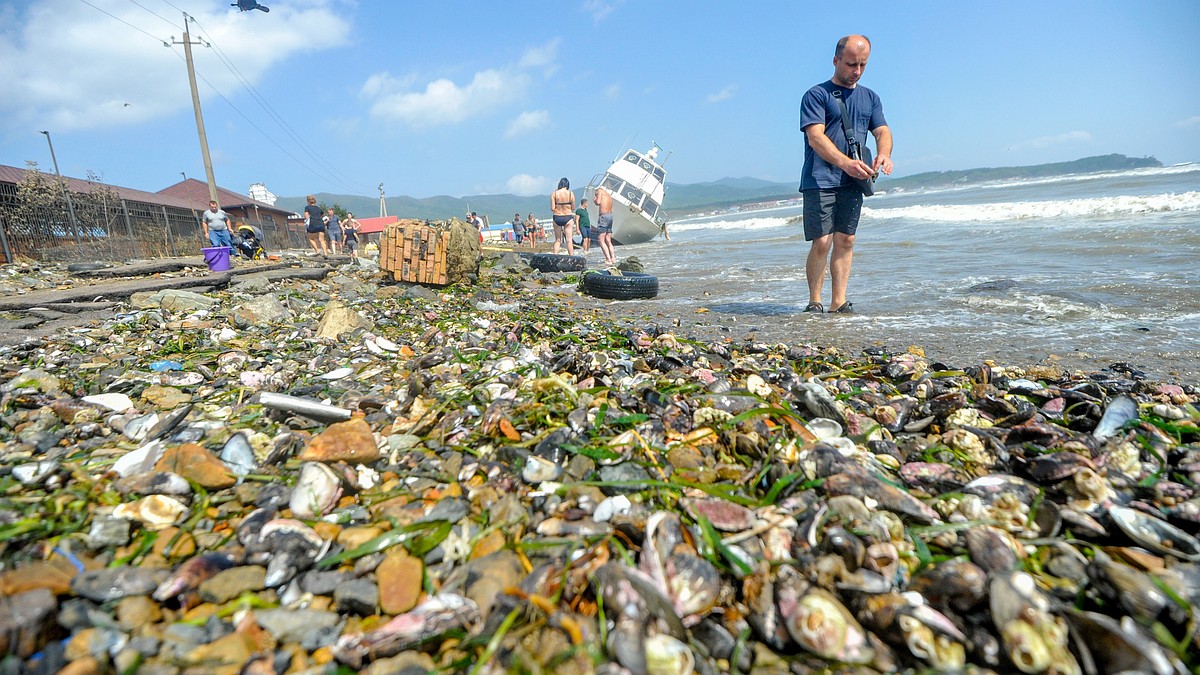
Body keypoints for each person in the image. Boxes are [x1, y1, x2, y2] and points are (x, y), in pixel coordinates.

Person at [799, 34, 893, 314]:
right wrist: (844, 163)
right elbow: (815, 137)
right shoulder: (816, 95)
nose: (857, 71)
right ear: (836, 60)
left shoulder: (870, 97)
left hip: (854, 179)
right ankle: (814, 301)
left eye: (863, 65)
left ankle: (838, 301)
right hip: (820, 179)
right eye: (852, 64)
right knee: (822, 240)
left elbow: (882, 131)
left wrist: (884, 153)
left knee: (846, 239)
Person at [550, 177, 575, 256]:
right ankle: (572, 258)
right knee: (569, 240)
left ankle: (555, 256)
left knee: (557, 240)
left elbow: (552, 208)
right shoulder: (571, 193)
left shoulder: (554, 193)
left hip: (557, 217)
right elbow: (573, 208)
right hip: (567, 217)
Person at [594, 186, 616, 265]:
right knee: (608, 240)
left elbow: (598, 202)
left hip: (604, 217)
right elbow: (612, 209)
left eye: (595, 195)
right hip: (610, 216)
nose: (596, 196)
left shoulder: (600, 191)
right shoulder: (609, 196)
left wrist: (595, 200)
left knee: (601, 240)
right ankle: (613, 258)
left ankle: (608, 259)